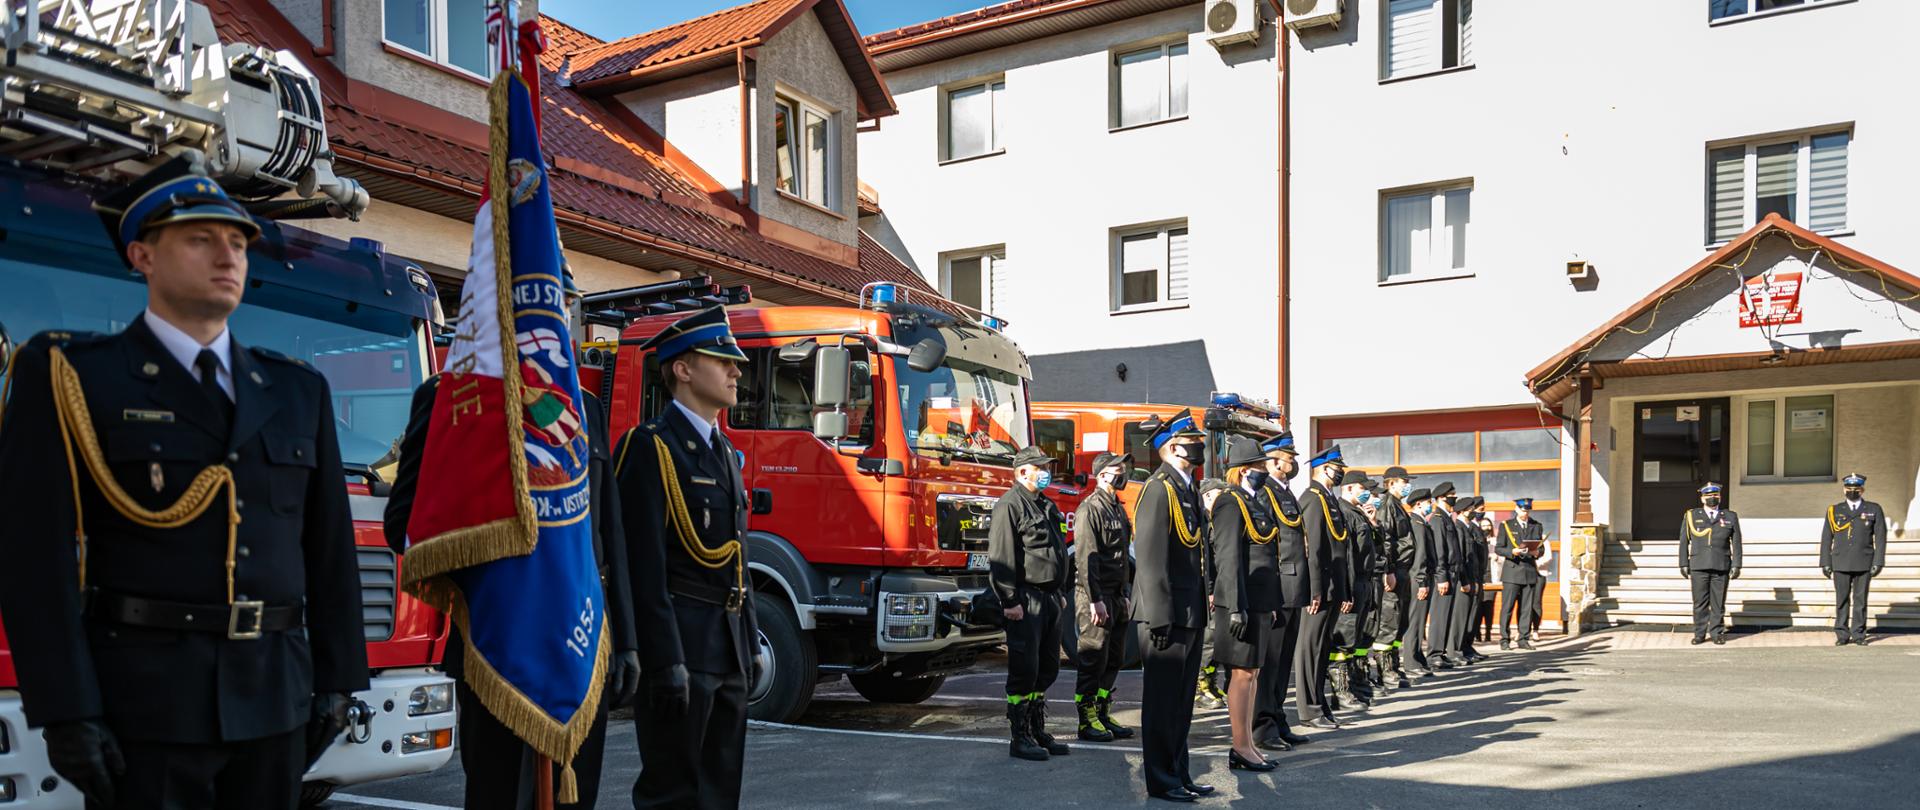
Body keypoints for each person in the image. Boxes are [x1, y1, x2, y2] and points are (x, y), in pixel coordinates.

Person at [0, 160, 366, 808]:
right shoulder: (73, 376)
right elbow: (34, 558)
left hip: (276, 698)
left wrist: (339, 682)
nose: (227, 254)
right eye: (201, 238)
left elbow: (329, 551)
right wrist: (64, 708)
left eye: (238, 241)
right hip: (145, 702)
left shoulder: (294, 390)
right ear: (142, 254)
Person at [383, 272, 641, 809]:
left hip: (580, 640)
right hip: (497, 641)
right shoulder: (449, 399)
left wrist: (628, 640)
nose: (556, 321)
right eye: (544, 305)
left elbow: (609, 537)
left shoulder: (581, 409)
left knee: (576, 799)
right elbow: (403, 522)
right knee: (501, 796)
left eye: (565, 306)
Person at [616, 306, 761, 809]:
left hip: (727, 647)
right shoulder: (651, 447)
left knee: (720, 793)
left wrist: (751, 643)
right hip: (681, 645)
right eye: (722, 360)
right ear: (682, 369)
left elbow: (738, 557)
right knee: (672, 794)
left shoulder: (723, 452)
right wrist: (662, 657)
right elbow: (642, 566)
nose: (736, 371)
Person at [1129, 410, 1216, 802]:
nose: (1199, 445)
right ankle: (1162, 780)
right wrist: (1161, 616)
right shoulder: (1158, 487)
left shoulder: (1186, 487)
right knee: (1163, 702)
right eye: (1192, 439)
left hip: (1189, 611)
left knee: (1181, 703)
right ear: (1173, 446)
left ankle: (1179, 772)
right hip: (1163, 614)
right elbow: (1150, 558)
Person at [988, 445, 1073, 761]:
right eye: (1040, 467)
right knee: (1024, 669)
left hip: (1050, 598)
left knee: (1046, 667)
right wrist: (1009, 599)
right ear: (1023, 471)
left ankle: (1037, 729)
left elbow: (1055, 550)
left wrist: (1060, 591)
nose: (1046, 472)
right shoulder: (1010, 505)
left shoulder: (1045, 505)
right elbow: (1001, 556)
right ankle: (1019, 736)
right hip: (1025, 599)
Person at [1209, 442, 1280, 772]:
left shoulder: (1255, 502)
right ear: (1242, 469)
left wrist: (1269, 603)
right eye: (1259, 466)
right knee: (1241, 675)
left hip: (1258, 602)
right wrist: (1236, 606)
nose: (1264, 471)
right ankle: (1239, 746)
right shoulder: (1229, 502)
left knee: (1252, 674)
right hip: (1240, 603)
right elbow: (1227, 556)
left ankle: (1248, 743)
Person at [1250, 433, 1314, 752]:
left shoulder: (1287, 493)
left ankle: (1278, 717)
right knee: (1270, 662)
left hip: (1295, 586)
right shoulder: (1265, 493)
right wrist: (1269, 593)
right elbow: (1265, 545)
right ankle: (1263, 726)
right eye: (1289, 457)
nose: (1293, 462)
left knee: (1283, 662)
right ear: (1275, 460)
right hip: (1279, 588)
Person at [1073, 453, 1136, 741]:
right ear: (1101, 475)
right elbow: (1087, 558)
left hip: (1116, 595)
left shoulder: (1117, 508)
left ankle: (1101, 711)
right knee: (1093, 657)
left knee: (1114, 658)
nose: (1122, 472)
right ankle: (1086, 720)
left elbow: (1122, 557)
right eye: (1116, 468)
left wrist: (1124, 594)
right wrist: (1095, 599)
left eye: (1123, 468)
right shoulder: (1091, 508)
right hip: (1095, 597)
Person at [1296, 445, 1351, 729]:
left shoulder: (1328, 498)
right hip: (1320, 589)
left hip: (1332, 586)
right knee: (1310, 649)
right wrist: (1314, 589)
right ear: (1322, 468)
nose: (1341, 471)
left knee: (1322, 648)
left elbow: (1339, 547)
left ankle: (1320, 703)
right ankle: (1309, 709)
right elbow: (1313, 549)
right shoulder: (1313, 498)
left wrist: (1342, 589)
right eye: (1337, 467)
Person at [1819, 473, 1886, 646]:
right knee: (1841, 599)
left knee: (1860, 600)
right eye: (1849, 489)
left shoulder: (1873, 509)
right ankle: (1842, 634)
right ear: (1844, 490)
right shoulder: (1834, 510)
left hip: (1864, 561)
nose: (1852, 492)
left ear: (1862, 490)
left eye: (1856, 489)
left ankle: (1859, 634)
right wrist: (1825, 562)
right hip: (1840, 561)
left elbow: (1880, 537)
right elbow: (1827, 537)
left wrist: (1878, 561)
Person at [1677, 482, 1741, 646]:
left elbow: (1737, 542)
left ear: (1720, 497)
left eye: (1715, 495)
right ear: (1702, 498)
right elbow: (1684, 541)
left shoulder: (1730, 516)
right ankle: (1699, 633)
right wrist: (1683, 563)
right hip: (1699, 565)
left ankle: (1717, 632)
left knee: (1718, 602)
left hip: (1721, 564)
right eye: (1709, 496)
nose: (1713, 498)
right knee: (1700, 602)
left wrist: (1737, 564)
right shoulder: (1692, 515)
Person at [1374, 467, 1418, 689]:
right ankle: (1384, 670)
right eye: (1404, 481)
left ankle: (1393, 664)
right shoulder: (1387, 505)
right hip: (1395, 570)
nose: (1407, 485)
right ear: (1391, 483)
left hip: (1404, 570)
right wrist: (1388, 570)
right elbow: (1386, 540)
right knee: (1389, 620)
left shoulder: (1399, 506)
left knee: (1401, 621)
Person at [1494, 498, 1546, 651]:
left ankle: (1523, 638)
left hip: (1529, 571)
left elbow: (1541, 548)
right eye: (1523, 510)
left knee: (1526, 608)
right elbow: (1499, 548)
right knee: (1507, 608)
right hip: (1512, 571)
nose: (1525, 513)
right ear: (1516, 509)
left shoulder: (1536, 526)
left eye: (1528, 510)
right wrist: (1512, 551)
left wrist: (1538, 552)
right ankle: (1504, 639)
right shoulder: (1506, 525)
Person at [1398, 488, 1438, 677]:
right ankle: (1410, 661)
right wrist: (1422, 581)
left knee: (1420, 620)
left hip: (1421, 577)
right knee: (1415, 621)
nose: (1431, 505)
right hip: (1418, 578)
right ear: (1419, 504)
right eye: (1428, 502)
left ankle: (1417, 656)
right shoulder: (1416, 523)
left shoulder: (1421, 522)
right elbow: (1420, 555)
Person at [1424, 482, 1461, 668]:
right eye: (1450, 495)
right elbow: (1439, 551)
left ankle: (1442, 651)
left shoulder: (1447, 518)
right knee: (1439, 614)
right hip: (1444, 575)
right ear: (1440, 498)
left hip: (1452, 573)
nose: (1454, 498)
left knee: (1447, 614)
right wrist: (1442, 577)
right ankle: (1434, 654)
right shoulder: (1437, 519)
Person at [1448, 496, 1487, 664]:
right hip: (1464, 578)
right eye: (1471, 509)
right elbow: (1461, 557)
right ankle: (1455, 649)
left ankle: (1465, 646)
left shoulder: (1469, 527)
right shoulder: (1458, 527)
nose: (1474, 512)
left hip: (1475, 576)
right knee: (1460, 617)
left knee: (1471, 615)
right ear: (1463, 511)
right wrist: (1466, 580)